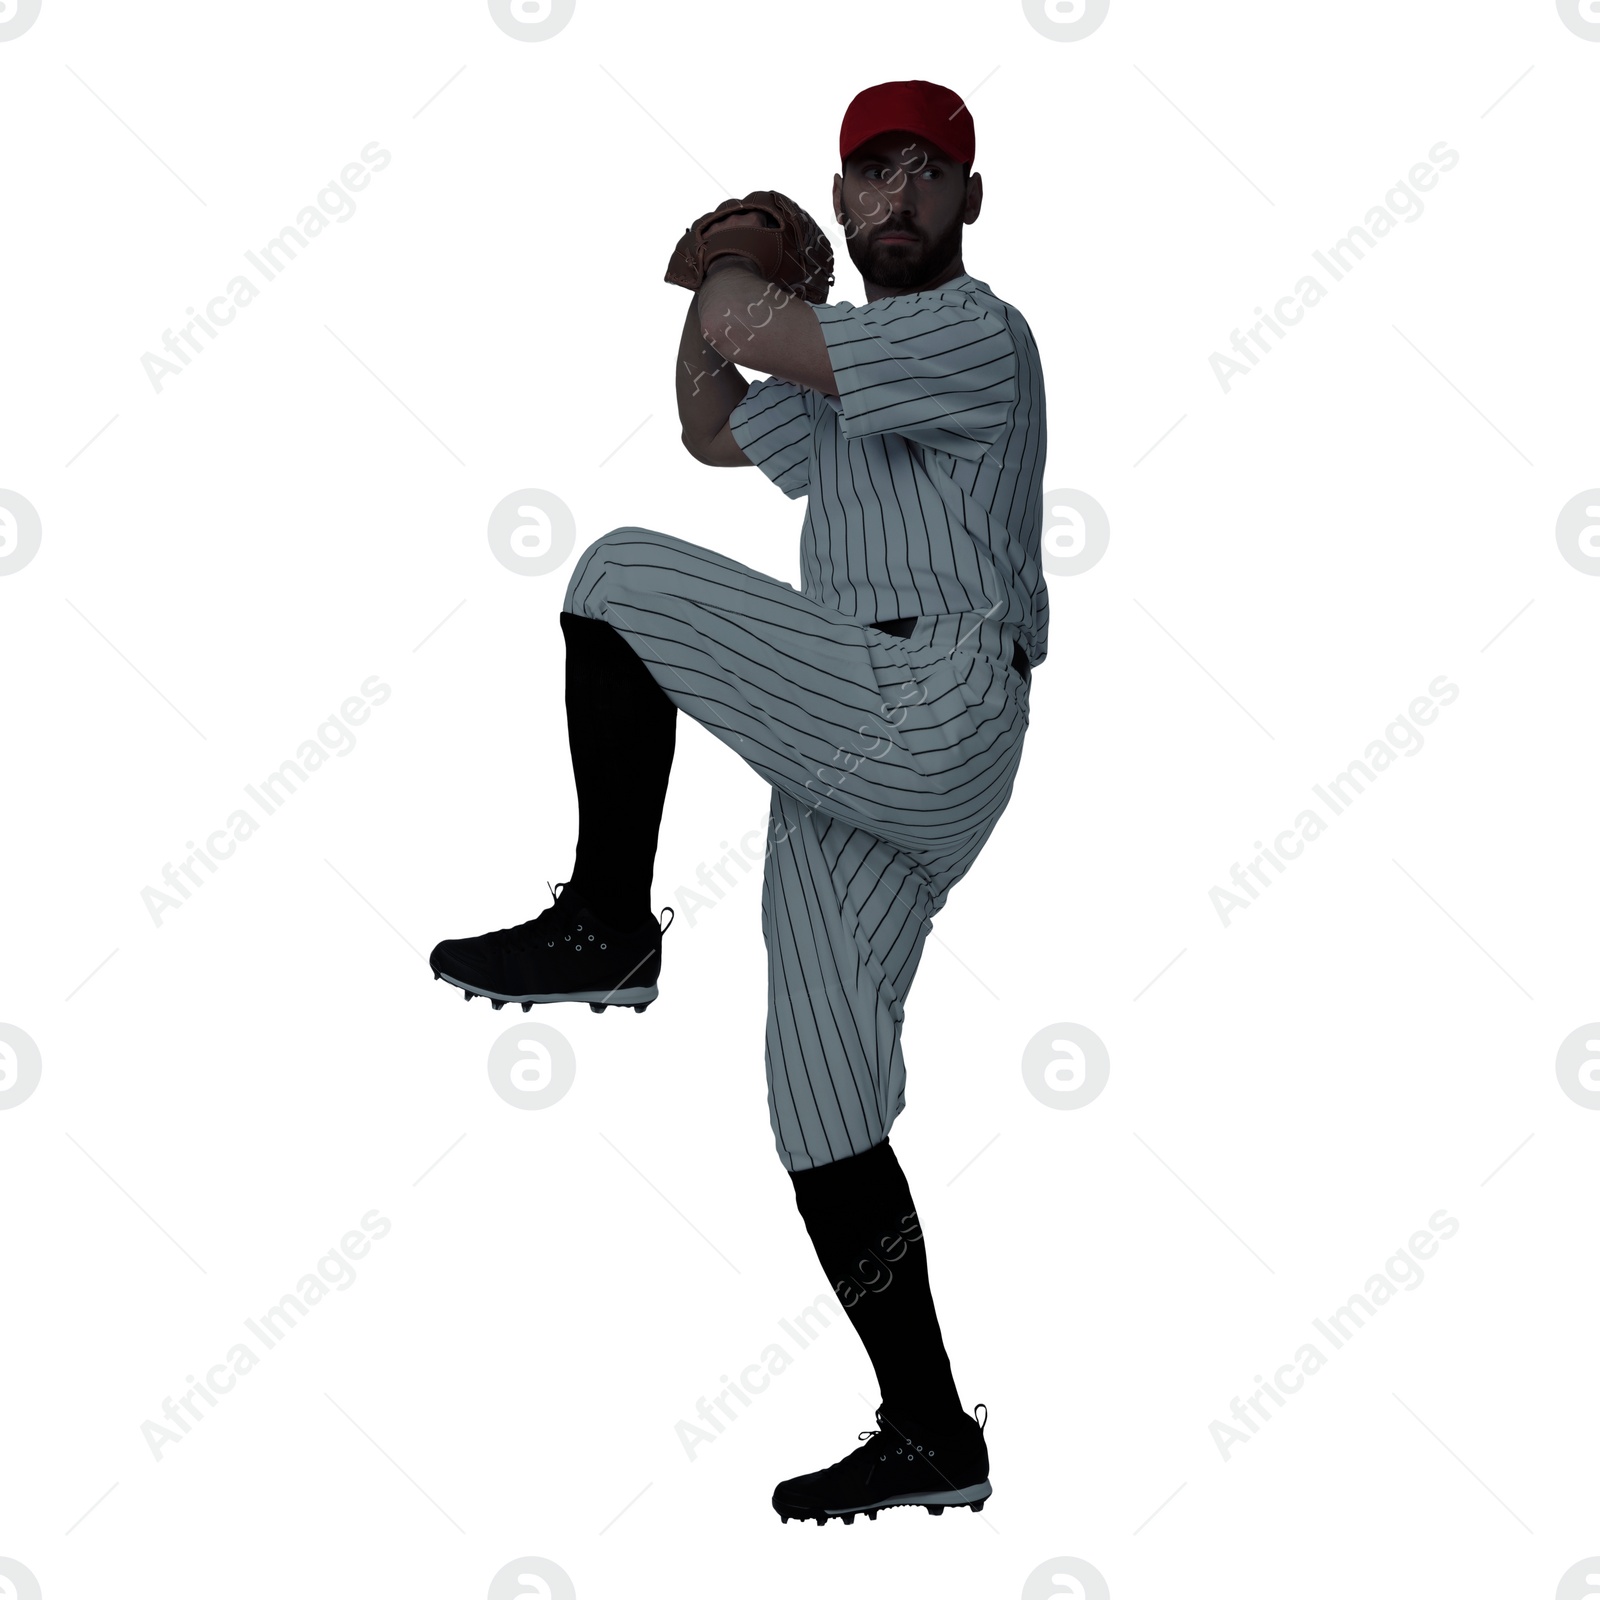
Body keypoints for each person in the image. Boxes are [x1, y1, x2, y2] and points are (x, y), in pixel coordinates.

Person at [430, 78, 1047, 1525]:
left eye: (922, 170)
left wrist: (737, 272)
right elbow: (714, 421)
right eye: (865, 174)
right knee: (822, 1107)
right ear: (843, 204)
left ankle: (606, 924)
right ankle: (929, 1429)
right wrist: (722, 295)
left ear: (967, 198)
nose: (894, 194)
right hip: (856, 741)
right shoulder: (846, 397)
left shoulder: (974, 335)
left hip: (934, 698)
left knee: (620, 578)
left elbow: (753, 335)